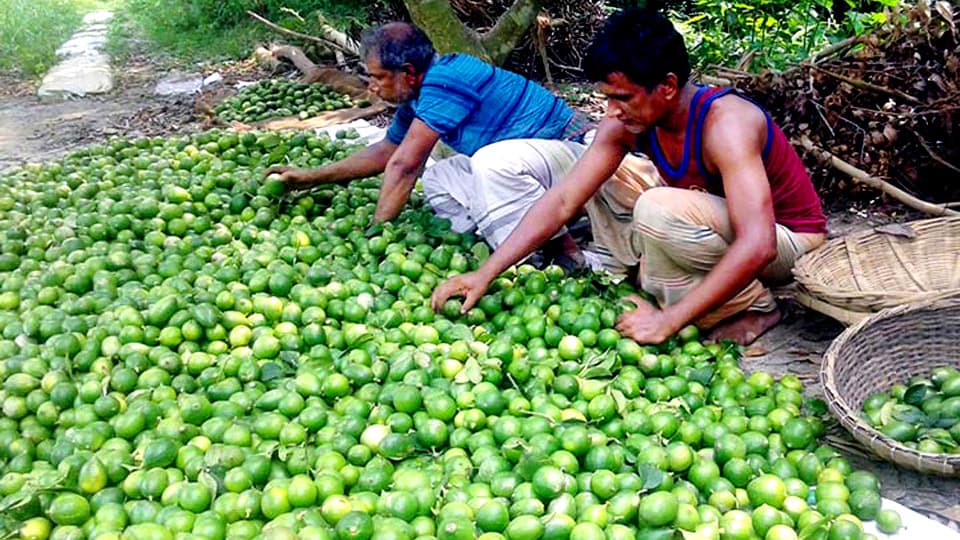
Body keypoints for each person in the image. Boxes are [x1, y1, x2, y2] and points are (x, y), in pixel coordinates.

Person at [431, 8, 827, 345]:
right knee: (614, 189)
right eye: (607, 98)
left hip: (790, 243)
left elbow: (759, 244)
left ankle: (758, 309)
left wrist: (667, 322)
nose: (612, 110)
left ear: (668, 86)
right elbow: (564, 200)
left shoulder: (727, 124)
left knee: (657, 210)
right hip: (721, 226)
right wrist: (484, 274)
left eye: (622, 98)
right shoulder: (626, 122)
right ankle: (690, 292)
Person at [267, 21, 602, 265]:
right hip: (531, 169)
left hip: (581, 157)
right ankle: (501, 241)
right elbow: (387, 152)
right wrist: (309, 177)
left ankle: (560, 255)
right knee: (439, 178)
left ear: (408, 72)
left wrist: (374, 235)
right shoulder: (419, 98)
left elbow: (406, 164)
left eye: (378, 77)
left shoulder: (446, 80)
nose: (372, 87)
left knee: (490, 163)